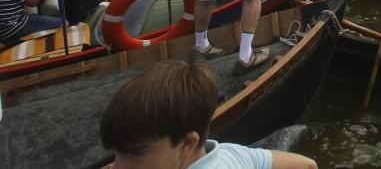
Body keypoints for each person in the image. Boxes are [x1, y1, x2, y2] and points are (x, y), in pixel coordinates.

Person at [100, 60, 317, 169]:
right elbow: (307, 165)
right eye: (117, 153)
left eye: (135, 153)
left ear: (187, 143)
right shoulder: (230, 154)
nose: (116, 166)